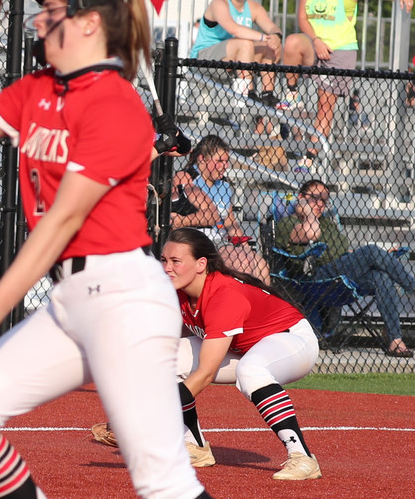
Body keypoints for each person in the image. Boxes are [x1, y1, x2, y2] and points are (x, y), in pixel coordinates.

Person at [0, 0, 208, 499]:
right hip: (70, 299)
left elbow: (64, 219)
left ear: (88, 23)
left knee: (163, 482)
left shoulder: (117, 103)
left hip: (124, 298)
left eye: (52, 11)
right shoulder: (37, 89)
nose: (37, 21)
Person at [93, 228, 323, 480]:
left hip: (291, 342)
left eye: (176, 261)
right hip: (242, 347)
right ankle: (194, 446)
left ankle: (302, 457)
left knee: (251, 370)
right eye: (164, 260)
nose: (167, 267)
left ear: (201, 264)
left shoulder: (224, 295)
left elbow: (206, 373)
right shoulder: (178, 290)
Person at [279, 0, 414, 142]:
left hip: (340, 50)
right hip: (315, 45)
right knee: (292, 42)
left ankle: (309, 158)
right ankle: (292, 92)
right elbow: (302, 18)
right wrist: (316, 40)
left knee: (325, 105)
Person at [274, 179, 415, 358]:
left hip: (341, 273)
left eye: (324, 200)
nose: (320, 203)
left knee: (381, 276)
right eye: (315, 198)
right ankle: (412, 286)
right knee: (370, 251)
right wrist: (307, 212)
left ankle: (395, 339)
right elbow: (311, 233)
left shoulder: (328, 224)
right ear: (301, 197)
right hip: (314, 275)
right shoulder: (287, 223)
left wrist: (383, 258)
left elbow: (344, 252)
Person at [173, 134, 271, 285]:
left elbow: (230, 221)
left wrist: (245, 247)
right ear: (202, 159)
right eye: (219, 161)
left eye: (226, 161)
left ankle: (260, 307)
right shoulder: (186, 177)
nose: (224, 166)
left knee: (261, 265)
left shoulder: (223, 185)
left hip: (220, 239)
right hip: (197, 240)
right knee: (242, 263)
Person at [189, 0, 283, 106]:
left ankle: (267, 96)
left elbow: (273, 27)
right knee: (245, 43)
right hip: (204, 59)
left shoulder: (253, 7)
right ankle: (247, 95)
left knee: (269, 46)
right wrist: (265, 37)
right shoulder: (219, 3)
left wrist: (275, 37)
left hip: (234, 59)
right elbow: (234, 29)